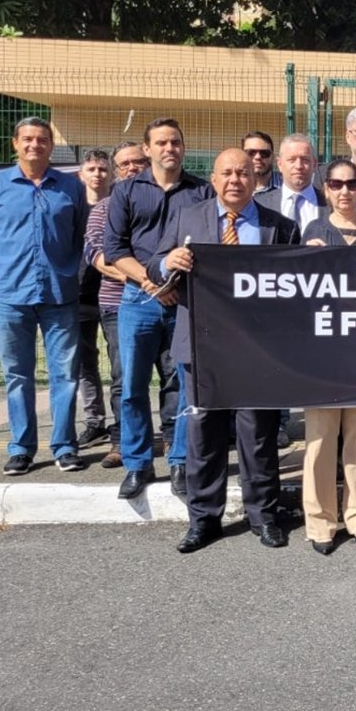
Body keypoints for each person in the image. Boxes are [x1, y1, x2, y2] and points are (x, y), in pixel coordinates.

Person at [153, 148, 300, 553]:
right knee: (205, 436)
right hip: (203, 347)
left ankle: (263, 516)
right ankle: (204, 519)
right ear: (213, 180)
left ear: (255, 179)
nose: (235, 180)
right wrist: (169, 261)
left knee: (258, 435)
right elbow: (152, 264)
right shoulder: (188, 218)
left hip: (259, 350)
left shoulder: (280, 227)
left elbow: (296, 285)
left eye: (243, 173)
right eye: (227, 173)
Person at [104, 117, 213, 500]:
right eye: (162, 143)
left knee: (185, 385)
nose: (170, 148)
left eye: (177, 142)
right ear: (147, 149)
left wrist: (173, 285)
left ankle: (181, 460)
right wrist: (150, 281)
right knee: (133, 385)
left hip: (186, 301)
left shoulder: (202, 191)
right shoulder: (126, 191)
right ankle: (137, 464)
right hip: (139, 298)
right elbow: (115, 250)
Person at [0, 116, 87, 476]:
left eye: (41, 140)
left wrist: (66, 270)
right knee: (17, 375)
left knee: (65, 375)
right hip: (11, 295)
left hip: (60, 294)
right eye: (27, 139)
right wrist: (8, 270)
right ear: (15, 144)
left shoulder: (70, 187)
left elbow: (80, 235)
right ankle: (21, 448)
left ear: (51, 145)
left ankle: (65, 446)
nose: (34, 145)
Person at [298, 158, 356, 554]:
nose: (345, 191)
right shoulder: (314, 231)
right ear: (326, 188)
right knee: (319, 439)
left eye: (351, 184)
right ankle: (319, 524)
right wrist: (305, 258)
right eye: (336, 184)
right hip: (322, 355)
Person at [84, 141, 151, 470]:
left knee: (174, 378)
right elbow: (98, 256)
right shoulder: (103, 208)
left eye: (137, 161)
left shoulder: (159, 201)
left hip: (166, 300)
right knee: (125, 378)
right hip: (118, 304)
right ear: (115, 170)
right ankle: (122, 442)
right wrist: (142, 278)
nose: (131, 168)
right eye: (123, 164)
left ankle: (170, 440)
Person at [255, 133, 325, 448]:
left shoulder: (330, 201)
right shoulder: (257, 205)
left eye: (306, 159)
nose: (299, 166)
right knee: (272, 372)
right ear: (279, 163)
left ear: (315, 164)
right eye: (292, 159)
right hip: (275, 307)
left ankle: (322, 439)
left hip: (321, 307)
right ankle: (278, 426)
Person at [74, 149, 113, 450]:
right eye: (92, 168)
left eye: (102, 169)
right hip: (80, 296)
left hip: (114, 294)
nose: (97, 173)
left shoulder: (118, 206)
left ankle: (122, 425)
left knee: (120, 364)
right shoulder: (71, 208)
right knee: (85, 363)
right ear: (81, 174)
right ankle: (94, 422)